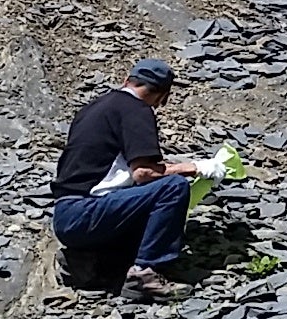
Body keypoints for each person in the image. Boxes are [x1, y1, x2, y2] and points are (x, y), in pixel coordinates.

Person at [51, 59, 222, 298]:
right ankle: (145, 274)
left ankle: (87, 262)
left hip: (65, 216)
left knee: (145, 207)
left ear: (127, 80)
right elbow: (144, 173)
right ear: (162, 96)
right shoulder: (136, 109)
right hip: (86, 212)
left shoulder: (95, 108)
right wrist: (197, 167)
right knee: (172, 188)